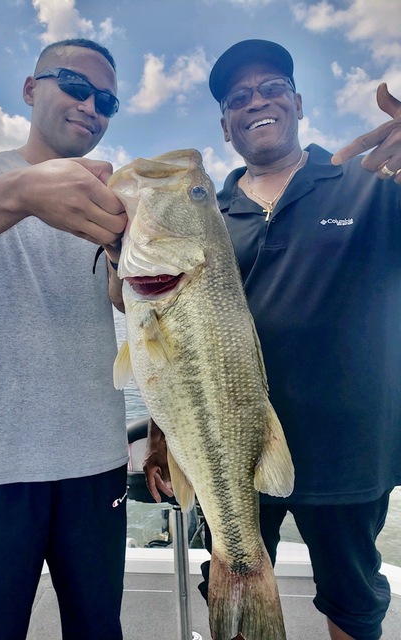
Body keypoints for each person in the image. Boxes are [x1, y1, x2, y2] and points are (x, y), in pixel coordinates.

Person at [144, 39, 401, 640]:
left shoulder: (371, 184)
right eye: (239, 97)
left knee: (353, 599)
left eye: (271, 88)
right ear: (226, 123)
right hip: (229, 451)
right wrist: (162, 439)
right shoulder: (208, 216)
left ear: (298, 102)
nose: (256, 101)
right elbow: (177, 347)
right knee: (230, 577)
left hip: (350, 451)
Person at [0, 38, 129, 639]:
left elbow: (126, 304)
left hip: (96, 464)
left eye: (108, 101)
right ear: (32, 88)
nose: (92, 106)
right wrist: (22, 193)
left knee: (97, 630)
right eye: (76, 86)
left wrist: (128, 252)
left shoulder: (111, 197)